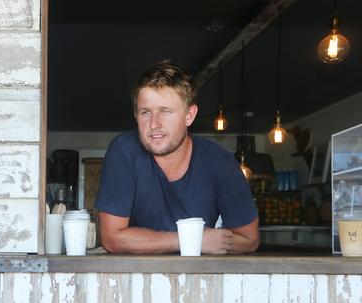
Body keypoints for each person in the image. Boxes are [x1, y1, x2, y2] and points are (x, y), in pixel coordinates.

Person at [95, 60, 259, 254]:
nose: (154, 123)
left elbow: (250, 240)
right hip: (134, 278)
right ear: (136, 115)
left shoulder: (219, 162)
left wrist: (215, 241)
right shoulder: (124, 150)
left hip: (199, 280)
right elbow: (111, 239)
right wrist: (191, 241)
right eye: (145, 112)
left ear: (189, 115)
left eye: (166, 111)